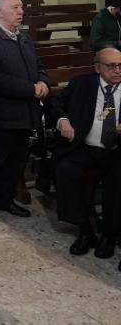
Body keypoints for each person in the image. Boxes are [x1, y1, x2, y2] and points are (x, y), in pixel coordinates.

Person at [0, 0, 49, 225]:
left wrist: (44, 82)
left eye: (21, 7)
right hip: (0, 113)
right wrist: (31, 89)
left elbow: (39, 65)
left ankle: (4, 199)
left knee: (15, 162)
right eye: (15, 8)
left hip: (25, 114)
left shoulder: (23, 38)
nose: (21, 12)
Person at [50, 48, 121, 267]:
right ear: (97, 67)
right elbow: (54, 104)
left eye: (120, 65)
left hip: (118, 151)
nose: (117, 70)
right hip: (87, 147)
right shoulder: (83, 84)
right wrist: (63, 120)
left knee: (116, 184)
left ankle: (109, 234)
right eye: (111, 66)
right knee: (64, 170)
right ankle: (85, 229)